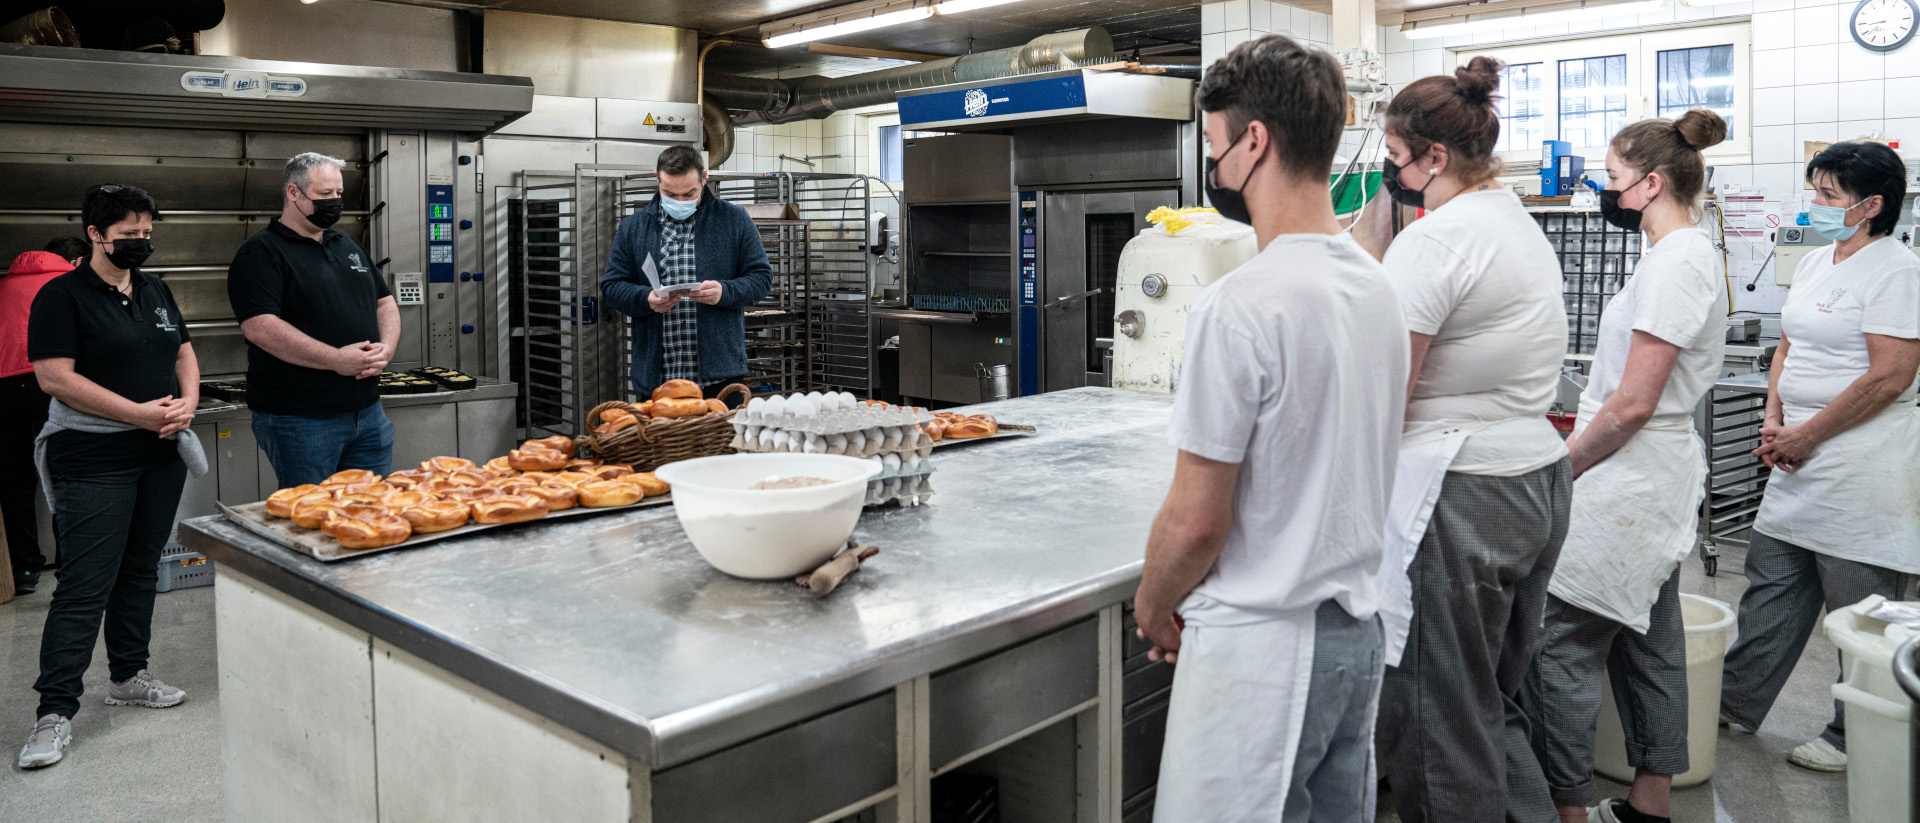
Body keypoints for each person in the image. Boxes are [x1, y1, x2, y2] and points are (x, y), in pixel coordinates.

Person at [1136, 34, 1410, 822]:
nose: (1216, 170)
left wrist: (1154, 604)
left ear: (1255, 141)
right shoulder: (1376, 287)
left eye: (1217, 147)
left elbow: (1196, 520)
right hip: (1355, 639)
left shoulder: (1241, 304)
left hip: (1264, 657)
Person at [1355, 56, 1571, 823]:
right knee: (1486, 699)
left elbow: (1385, 388)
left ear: (1433, 158)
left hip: (1462, 490)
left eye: (1392, 155)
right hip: (1536, 479)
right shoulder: (1510, 221)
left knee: (1438, 720)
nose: (1388, 168)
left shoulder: (1438, 242)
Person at [1518, 110, 1730, 823]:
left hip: (1631, 479)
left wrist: (1560, 468)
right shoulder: (1676, 256)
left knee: (1557, 643)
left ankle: (1566, 810)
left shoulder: (1679, 262)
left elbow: (1634, 402)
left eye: (1612, 179)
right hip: (1648, 479)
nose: (1604, 191)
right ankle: (1650, 803)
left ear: (1651, 182)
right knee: (1649, 638)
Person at [1720, 140, 1920, 773]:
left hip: (1861, 461)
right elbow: (1788, 346)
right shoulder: (1816, 263)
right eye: (1816, 192)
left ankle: (1853, 734)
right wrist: (1776, 417)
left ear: (1872, 206)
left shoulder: (1897, 270)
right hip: (1795, 458)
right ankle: (1734, 702)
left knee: (1858, 607)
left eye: (1828, 196)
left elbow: (1891, 375)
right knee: (1771, 584)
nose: (1815, 206)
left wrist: (1807, 436)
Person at [19, 185, 207, 769]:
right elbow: (56, 379)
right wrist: (138, 414)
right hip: (93, 458)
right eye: (129, 235)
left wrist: (187, 404)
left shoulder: (153, 288)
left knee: (139, 569)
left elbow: (183, 352)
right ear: (96, 234)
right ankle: (54, 712)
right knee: (83, 585)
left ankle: (128, 675)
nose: (140, 243)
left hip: (158, 454)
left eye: (147, 234)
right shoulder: (62, 296)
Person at [228, 152, 397, 486]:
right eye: (324, 195)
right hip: (300, 418)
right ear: (294, 193)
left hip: (368, 412)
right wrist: (335, 359)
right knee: (312, 520)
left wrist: (386, 350)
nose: (334, 202)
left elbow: (385, 302)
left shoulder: (346, 243)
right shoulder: (261, 253)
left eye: (338, 194)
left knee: (370, 514)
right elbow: (261, 327)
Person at [601, 145, 771, 402]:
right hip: (658, 380)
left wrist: (725, 292)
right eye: (669, 193)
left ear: (704, 179)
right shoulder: (633, 228)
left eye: (689, 193)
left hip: (720, 380)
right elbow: (612, 287)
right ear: (656, 178)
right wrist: (646, 298)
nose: (680, 201)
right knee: (660, 444)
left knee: (722, 443)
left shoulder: (734, 220)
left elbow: (761, 279)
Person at [0, 238, 86, 594]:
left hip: (3, 390)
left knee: (15, 484)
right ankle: (70, 570)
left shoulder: (4, 285)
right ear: (78, 260)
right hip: (52, 383)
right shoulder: (71, 285)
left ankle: (24, 571)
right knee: (65, 477)